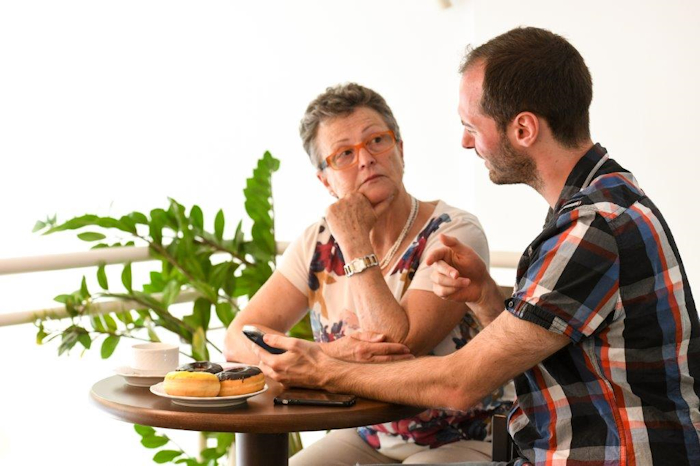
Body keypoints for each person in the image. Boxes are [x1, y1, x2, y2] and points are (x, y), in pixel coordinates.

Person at [250, 27, 700, 465]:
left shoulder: (591, 227)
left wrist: (322, 367)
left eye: (472, 125)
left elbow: (460, 384)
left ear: (523, 129)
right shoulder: (601, 201)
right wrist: (486, 296)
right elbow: (546, 350)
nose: (466, 141)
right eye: (344, 153)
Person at [224, 83, 510, 464]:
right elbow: (238, 338)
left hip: (463, 434)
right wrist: (326, 353)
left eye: (377, 140)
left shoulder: (453, 232)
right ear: (325, 180)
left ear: (401, 150)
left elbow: (397, 348)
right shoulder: (316, 243)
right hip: (367, 436)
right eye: (344, 154)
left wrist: (355, 241)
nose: (366, 159)